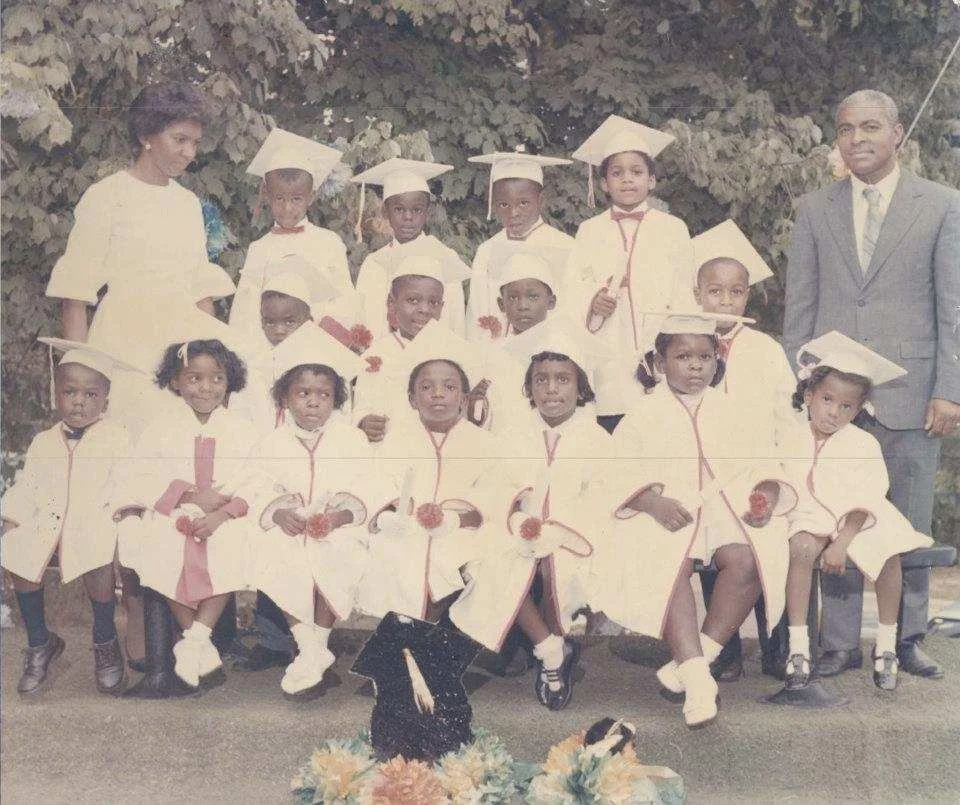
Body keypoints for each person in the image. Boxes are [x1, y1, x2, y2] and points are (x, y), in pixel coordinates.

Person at [45, 80, 236, 674]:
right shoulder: (106, 197)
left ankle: (188, 634)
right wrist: (79, 370)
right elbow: (76, 291)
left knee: (176, 474)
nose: (187, 152)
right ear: (146, 137)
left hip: (175, 355)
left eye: (194, 142)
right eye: (179, 139)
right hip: (123, 351)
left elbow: (198, 293)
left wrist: (210, 362)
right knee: (126, 486)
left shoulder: (186, 204)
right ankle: (127, 627)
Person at [783, 89, 960, 679]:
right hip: (835, 397)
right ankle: (836, 642)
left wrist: (950, 388)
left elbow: (952, 307)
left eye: (870, 127)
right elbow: (800, 309)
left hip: (913, 392)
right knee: (833, 515)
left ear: (897, 133)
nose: (857, 138)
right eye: (845, 128)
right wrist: (800, 389)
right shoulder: (814, 209)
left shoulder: (941, 205)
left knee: (904, 517)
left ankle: (906, 636)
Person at [596, 312, 795, 728]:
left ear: (717, 360)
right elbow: (616, 472)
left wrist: (765, 497)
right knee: (671, 561)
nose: (694, 366)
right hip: (668, 508)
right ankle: (699, 680)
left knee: (750, 556)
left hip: (724, 505)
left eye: (704, 357)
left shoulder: (735, 409)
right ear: (660, 361)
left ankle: (694, 662)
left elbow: (765, 464)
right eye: (683, 356)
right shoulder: (644, 413)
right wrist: (650, 502)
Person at [449, 320, 614, 711]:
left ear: (581, 387)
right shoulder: (512, 435)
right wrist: (516, 518)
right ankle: (550, 649)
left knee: (558, 567)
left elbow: (603, 498)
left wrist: (559, 530)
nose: (552, 389)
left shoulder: (598, 440)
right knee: (492, 562)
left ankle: (547, 643)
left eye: (562, 379)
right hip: (519, 531)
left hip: (576, 535)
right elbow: (495, 487)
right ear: (529, 387)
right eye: (541, 380)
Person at [777, 332, 934, 692]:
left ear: (859, 409)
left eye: (846, 406)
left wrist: (843, 541)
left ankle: (886, 644)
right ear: (809, 395)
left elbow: (869, 498)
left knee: (886, 553)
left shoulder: (864, 443)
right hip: (808, 513)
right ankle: (799, 647)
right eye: (827, 400)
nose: (834, 411)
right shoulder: (789, 435)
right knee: (800, 548)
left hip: (858, 519)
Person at [115, 320, 256, 691]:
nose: (205, 387)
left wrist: (221, 513)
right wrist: (190, 497)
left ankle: (195, 639)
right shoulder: (160, 427)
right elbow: (141, 476)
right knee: (156, 548)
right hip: (174, 511)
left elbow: (254, 481)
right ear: (176, 381)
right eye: (194, 378)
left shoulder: (241, 429)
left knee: (231, 548)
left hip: (228, 516)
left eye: (216, 378)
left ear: (229, 382)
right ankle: (200, 645)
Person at [690, 219, 798, 680]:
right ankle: (725, 644)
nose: (726, 301)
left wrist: (779, 475)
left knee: (773, 542)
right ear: (697, 295)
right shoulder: (685, 346)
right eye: (715, 292)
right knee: (717, 542)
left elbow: (786, 416)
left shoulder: (765, 349)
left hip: (759, 469)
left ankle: (779, 641)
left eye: (735, 293)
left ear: (747, 297)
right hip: (708, 474)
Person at [243, 324, 372, 696]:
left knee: (340, 551)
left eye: (323, 394)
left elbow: (369, 481)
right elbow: (253, 482)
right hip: (289, 524)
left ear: (336, 398)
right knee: (278, 553)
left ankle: (315, 647)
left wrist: (341, 516)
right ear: (284, 397)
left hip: (338, 523)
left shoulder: (351, 437)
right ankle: (312, 647)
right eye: (303, 393)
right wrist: (277, 511)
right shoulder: (271, 442)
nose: (313, 402)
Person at [1, 341, 133, 696]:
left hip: (95, 519)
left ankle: (104, 640)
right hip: (49, 520)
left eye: (90, 394)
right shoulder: (43, 441)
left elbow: (124, 483)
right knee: (16, 546)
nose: (79, 401)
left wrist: (122, 514)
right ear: (55, 394)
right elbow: (28, 486)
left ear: (105, 399)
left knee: (97, 553)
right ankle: (40, 641)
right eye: (69, 392)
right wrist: (13, 517)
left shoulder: (116, 438)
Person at [356, 327, 506, 625]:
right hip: (406, 529)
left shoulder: (486, 445)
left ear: (464, 398)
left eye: (449, 387)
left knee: (466, 563)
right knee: (397, 555)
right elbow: (379, 482)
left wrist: (456, 519)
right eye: (426, 387)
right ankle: (405, 643)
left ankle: (436, 641)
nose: (438, 394)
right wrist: (391, 511)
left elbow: (493, 497)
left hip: (461, 530)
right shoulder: (396, 439)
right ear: (412, 399)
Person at [566, 115, 696, 422]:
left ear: (651, 180)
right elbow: (572, 287)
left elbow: (683, 294)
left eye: (637, 172)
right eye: (617, 173)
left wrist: (672, 344)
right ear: (604, 183)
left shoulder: (673, 229)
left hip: (658, 349)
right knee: (613, 426)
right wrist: (593, 302)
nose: (627, 179)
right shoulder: (589, 231)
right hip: (609, 347)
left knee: (660, 425)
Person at [230, 128, 353, 347]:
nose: (287, 208)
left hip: (318, 346)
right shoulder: (260, 248)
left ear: (311, 196)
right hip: (269, 352)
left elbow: (345, 299)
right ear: (266, 195)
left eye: (296, 199)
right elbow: (245, 312)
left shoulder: (329, 243)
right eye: (279, 198)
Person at [352, 252, 472, 444]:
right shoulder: (376, 355)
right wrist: (363, 422)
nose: (424, 309)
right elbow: (362, 405)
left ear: (442, 307)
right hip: (389, 451)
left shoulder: (457, 352)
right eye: (413, 300)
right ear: (392, 304)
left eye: (433, 302)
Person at [465, 152, 573, 341]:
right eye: (504, 204)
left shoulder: (565, 247)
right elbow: (476, 313)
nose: (513, 212)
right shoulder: (487, 250)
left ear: (541, 200)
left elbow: (570, 311)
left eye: (523, 203)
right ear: (494, 205)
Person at [352, 157, 466, 337]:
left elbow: (455, 320)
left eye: (417, 210)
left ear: (427, 213)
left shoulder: (443, 257)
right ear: (386, 212)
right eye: (398, 209)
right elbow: (364, 319)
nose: (408, 217)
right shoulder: (374, 263)